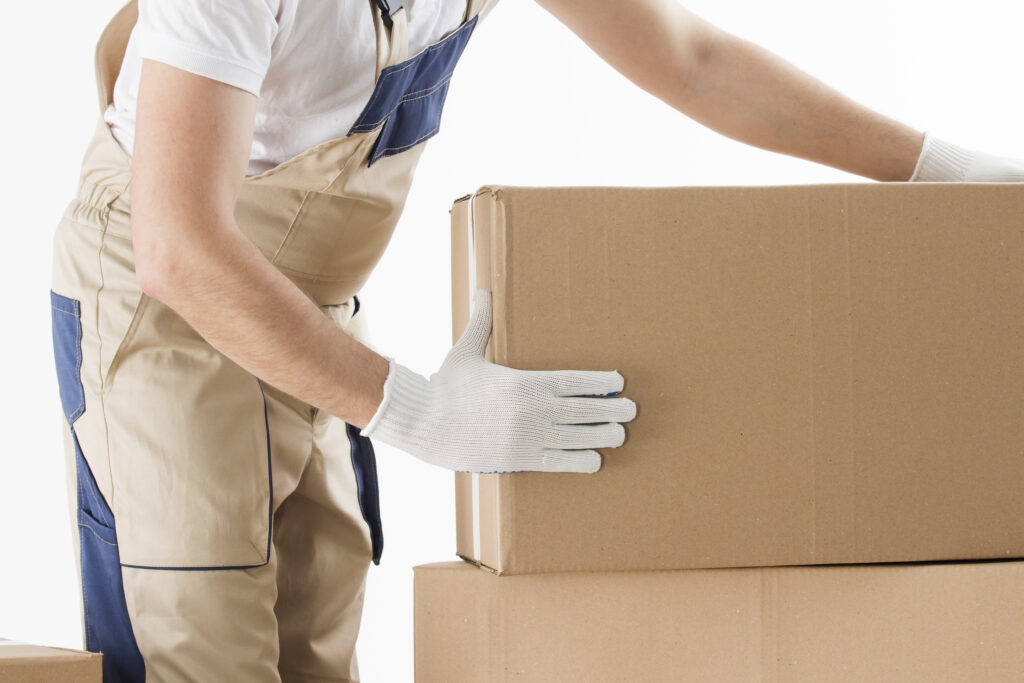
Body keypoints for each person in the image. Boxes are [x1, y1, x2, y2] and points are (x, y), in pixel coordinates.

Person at [48, 0, 1023, 681]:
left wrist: (937, 169)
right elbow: (177, 249)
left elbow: (694, 59)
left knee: (314, 638)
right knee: (200, 642)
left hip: (305, 302)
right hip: (162, 306)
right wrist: (417, 411)